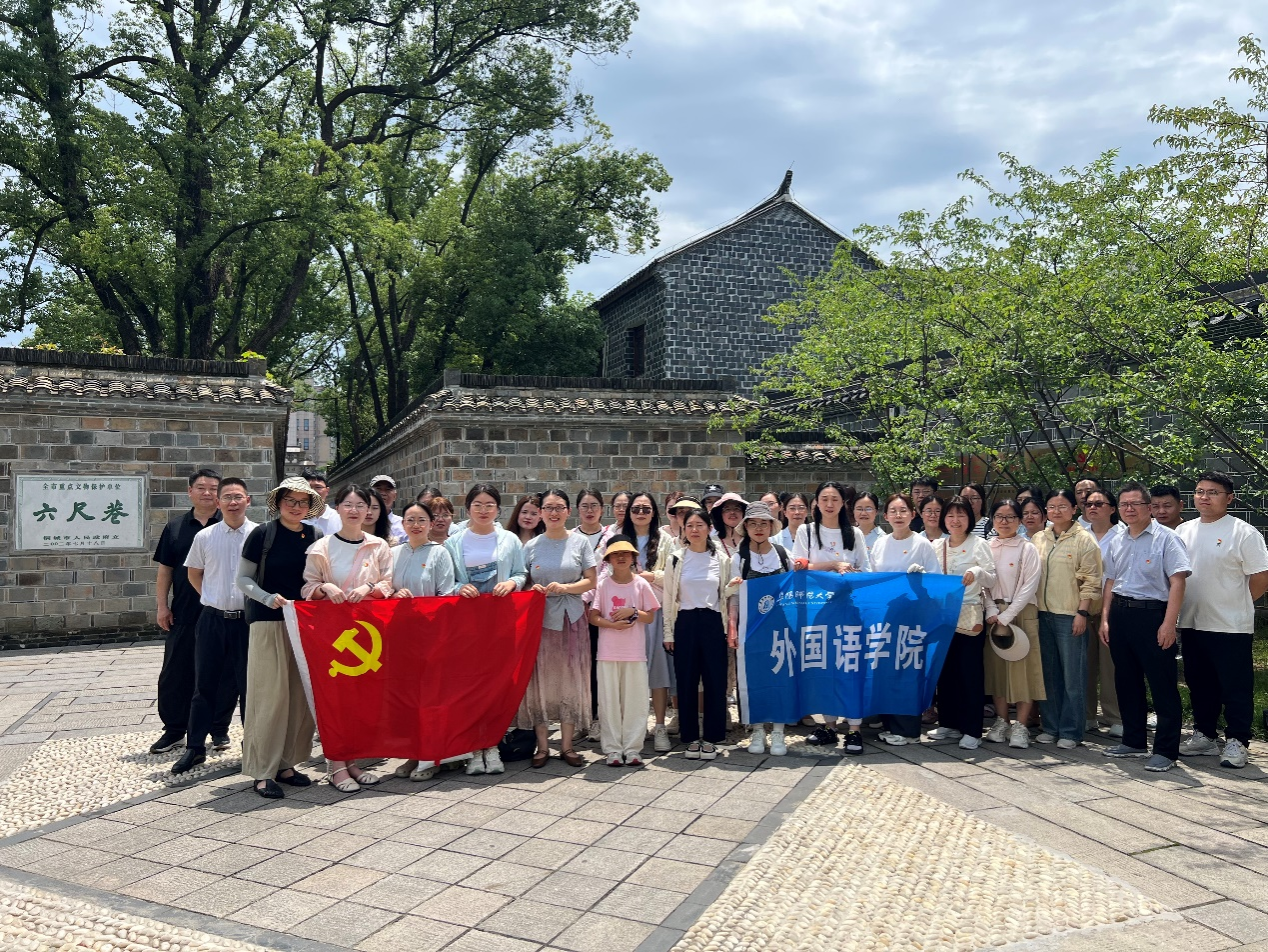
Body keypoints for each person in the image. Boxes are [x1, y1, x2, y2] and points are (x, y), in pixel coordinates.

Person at [301, 484, 395, 791]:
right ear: (337, 508)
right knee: (335, 698)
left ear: (369, 510)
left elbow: (388, 583)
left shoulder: (378, 546)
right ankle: (335, 765)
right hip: (332, 633)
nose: (354, 510)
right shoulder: (322, 547)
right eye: (348, 504)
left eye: (360, 505)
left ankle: (352, 760)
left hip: (369, 632)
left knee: (361, 698)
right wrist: (325, 588)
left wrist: (369, 588)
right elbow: (307, 587)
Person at [236, 476, 324, 798]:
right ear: (279, 502)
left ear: (310, 505)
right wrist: (266, 597)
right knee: (269, 697)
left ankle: (287, 764)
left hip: (304, 625)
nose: (296, 507)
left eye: (303, 501)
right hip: (268, 621)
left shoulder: (315, 536)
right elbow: (243, 579)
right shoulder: (263, 534)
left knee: (298, 697)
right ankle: (262, 771)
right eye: (290, 500)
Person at [1177, 472, 1268, 769]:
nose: (1204, 497)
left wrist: (1238, 603)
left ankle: (1238, 740)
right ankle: (1204, 734)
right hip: (1192, 621)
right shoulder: (1184, 531)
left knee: (1235, 686)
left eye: (1213, 492)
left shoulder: (1243, 532)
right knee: (1199, 683)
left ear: (1229, 498)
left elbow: (1261, 577)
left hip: (1230, 625)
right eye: (1199, 491)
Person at [1099, 481, 1192, 772]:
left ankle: (1166, 750)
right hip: (1120, 614)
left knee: (1162, 684)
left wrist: (1169, 624)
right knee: (1126, 680)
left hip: (1153, 616)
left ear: (1149, 507)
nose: (1129, 509)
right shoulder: (1117, 539)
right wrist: (1105, 618)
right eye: (1124, 504)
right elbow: (1110, 581)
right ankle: (1134, 740)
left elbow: (1178, 582)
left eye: (1135, 503)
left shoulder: (1167, 538)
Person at [171, 478, 257, 775]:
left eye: (238, 496)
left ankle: (253, 746)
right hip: (212, 620)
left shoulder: (260, 534)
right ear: (218, 503)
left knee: (250, 687)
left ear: (248, 500)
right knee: (204, 685)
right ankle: (195, 748)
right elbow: (194, 573)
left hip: (248, 621)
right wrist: (212, 597)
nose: (233, 502)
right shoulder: (205, 536)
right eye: (227, 497)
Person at [447, 484, 527, 775]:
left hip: (499, 622)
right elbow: (447, 581)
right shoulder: (453, 543)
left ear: (498, 509)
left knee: (496, 684)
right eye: (478, 505)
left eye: (489, 505)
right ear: (468, 508)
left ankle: (492, 744)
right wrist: (460, 587)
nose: (483, 510)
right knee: (468, 684)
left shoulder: (509, 540)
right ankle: (472, 748)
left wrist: (512, 583)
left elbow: (521, 572)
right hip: (466, 624)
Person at [517, 489, 597, 768]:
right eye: (548, 508)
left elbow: (591, 580)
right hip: (540, 620)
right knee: (541, 679)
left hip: (571, 618)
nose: (554, 513)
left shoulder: (580, 542)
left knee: (570, 679)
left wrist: (566, 588)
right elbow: (522, 579)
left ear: (568, 512)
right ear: (540, 513)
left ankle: (567, 745)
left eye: (559, 507)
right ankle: (542, 747)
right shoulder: (532, 546)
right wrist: (531, 589)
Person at [150, 469, 227, 755]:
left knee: (221, 673)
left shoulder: (230, 525)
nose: (207, 493)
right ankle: (174, 730)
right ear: (190, 492)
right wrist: (162, 606)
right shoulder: (176, 527)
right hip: (184, 611)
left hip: (221, 612)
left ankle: (218, 729)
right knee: (175, 672)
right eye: (201, 487)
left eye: (213, 488)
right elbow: (165, 570)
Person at [794, 481, 870, 752]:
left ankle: (855, 730)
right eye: (824, 499)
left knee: (850, 668)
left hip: (849, 610)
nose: (829, 504)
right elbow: (799, 566)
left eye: (835, 499)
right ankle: (828, 726)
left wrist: (849, 574)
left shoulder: (855, 534)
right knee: (824, 669)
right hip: (818, 610)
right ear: (816, 502)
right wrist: (835, 565)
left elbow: (866, 570)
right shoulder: (806, 531)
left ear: (843, 503)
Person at [1032, 490, 1102, 750]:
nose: (1056, 511)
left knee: (1073, 676)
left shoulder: (1084, 540)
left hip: (1070, 615)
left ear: (1074, 509)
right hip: (1042, 614)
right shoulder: (1039, 538)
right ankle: (1051, 727)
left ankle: (1071, 731)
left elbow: (1092, 581)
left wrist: (1082, 613)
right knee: (1049, 675)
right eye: (1051, 506)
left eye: (1062, 506)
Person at [663, 508, 733, 760]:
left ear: (709, 528)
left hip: (713, 622)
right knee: (686, 681)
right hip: (686, 621)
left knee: (715, 681)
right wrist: (668, 632)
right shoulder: (675, 559)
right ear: (684, 530)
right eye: (690, 525)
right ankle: (691, 737)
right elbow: (668, 597)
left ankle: (712, 737)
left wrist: (731, 588)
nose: (694, 530)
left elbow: (723, 595)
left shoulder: (721, 559)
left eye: (700, 525)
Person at [870, 493, 940, 746]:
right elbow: (873, 578)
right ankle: (891, 725)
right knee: (886, 670)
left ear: (913, 514)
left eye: (903, 511)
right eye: (893, 511)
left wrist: (921, 580)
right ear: (885, 516)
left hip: (912, 617)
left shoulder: (922, 544)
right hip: (885, 616)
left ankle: (908, 730)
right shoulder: (880, 543)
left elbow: (936, 580)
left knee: (908, 672)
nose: (898, 516)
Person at [929, 497, 998, 749]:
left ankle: (972, 729)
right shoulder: (937, 545)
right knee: (945, 671)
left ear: (969, 518)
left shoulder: (979, 544)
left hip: (969, 614)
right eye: (950, 515)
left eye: (961, 515)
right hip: (942, 615)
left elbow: (992, 579)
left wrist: (978, 573)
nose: (955, 521)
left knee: (969, 672)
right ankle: (948, 722)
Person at [590, 536, 660, 766]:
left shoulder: (640, 584)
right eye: (616, 554)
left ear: (633, 558)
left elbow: (650, 616)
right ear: (608, 559)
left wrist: (633, 611)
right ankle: (612, 749)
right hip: (608, 652)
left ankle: (632, 748)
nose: (621, 558)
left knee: (635, 701)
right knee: (609, 701)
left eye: (625, 554)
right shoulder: (603, 584)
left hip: (634, 652)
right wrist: (612, 625)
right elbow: (593, 616)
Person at [729, 501, 792, 756]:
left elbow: (793, 592)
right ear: (745, 527)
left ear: (771, 526)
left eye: (764, 523)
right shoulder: (739, 558)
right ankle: (756, 729)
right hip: (750, 627)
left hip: (780, 627)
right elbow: (733, 597)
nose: (758, 528)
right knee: (752, 678)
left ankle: (778, 730)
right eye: (753, 523)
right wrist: (732, 627)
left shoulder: (783, 554)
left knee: (780, 676)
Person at [982, 499, 1044, 750]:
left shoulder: (1027, 548)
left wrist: (1007, 615)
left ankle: (1021, 725)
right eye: (999, 516)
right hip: (994, 614)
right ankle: (1001, 721)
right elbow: (983, 583)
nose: (1004, 521)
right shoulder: (987, 547)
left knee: (1023, 671)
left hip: (1021, 611)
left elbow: (1030, 585)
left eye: (1010, 517)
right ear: (992, 520)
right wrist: (990, 609)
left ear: (1019, 521)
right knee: (997, 670)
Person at [617, 493, 676, 751]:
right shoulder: (617, 538)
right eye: (636, 508)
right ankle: (631, 726)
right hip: (623, 612)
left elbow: (674, 572)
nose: (641, 513)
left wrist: (650, 576)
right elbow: (604, 570)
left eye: (646, 508)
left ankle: (660, 725)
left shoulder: (665, 540)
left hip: (654, 610)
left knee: (658, 670)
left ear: (654, 512)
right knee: (628, 671)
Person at [1082, 488, 1124, 737]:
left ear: (1112, 508)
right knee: (1084, 665)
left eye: (1099, 504)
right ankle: (1087, 715)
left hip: (1112, 608)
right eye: (1088, 504)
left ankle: (1115, 716)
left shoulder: (1122, 535)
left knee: (1111, 667)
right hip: (1084, 608)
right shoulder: (1078, 534)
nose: (1092, 508)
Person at [302, 469, 342, 537]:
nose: (312, 492)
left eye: (318, 487)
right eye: (308, 487)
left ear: (327, 490)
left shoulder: (339, 519)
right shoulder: (295, 519)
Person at [370, 474, 408, 544]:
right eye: (378, 489)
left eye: (388, 489)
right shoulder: (361, 521)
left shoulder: (403, 525)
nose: (383, 493)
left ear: (395, 496)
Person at [853, 492, 887, 560]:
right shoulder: (848, 535)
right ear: (853, 511)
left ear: (876, 511)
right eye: (859, 509)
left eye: (868, 509)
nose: (863, 513)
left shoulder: (883, 538)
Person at [575, 489, 607, 553]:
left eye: (594, 506)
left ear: (602, 509)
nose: (589, 510)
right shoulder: (570, 536)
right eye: (584, 506)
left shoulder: (609, 537)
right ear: (578, 509)